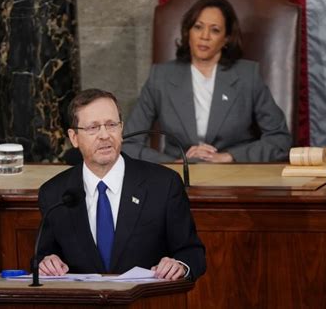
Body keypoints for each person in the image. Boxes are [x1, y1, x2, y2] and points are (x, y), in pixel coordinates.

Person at [37, 88, 206, 281]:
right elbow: (43, 255)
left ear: (121, 129)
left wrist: (180, 266)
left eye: (111, 125)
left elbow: (192, 253)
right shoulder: (54, 193)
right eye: (93, 127)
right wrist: (46, 262)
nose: (104, 135)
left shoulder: (163, 184)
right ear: (74, 138)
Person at [122, 0, 292, 163]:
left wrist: (229, 157)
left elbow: (280, 140)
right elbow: (128, 143)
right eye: (198, 27)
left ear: (226, 38)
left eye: (215, 30)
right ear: (188, 32)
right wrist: (173, 163)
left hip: (233, 177)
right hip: (177, 177)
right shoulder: (160, 77)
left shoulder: (248, 76)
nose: (204, 36)